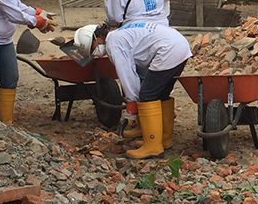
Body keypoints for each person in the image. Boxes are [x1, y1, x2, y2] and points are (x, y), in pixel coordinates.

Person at [74, 22, 192, 159]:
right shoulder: (119, 35)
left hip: (167, 50)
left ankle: (153, 146)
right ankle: (164, 139)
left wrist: (132, 101)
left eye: (92, 48)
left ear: (96, 37)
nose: (94, 52)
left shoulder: (114, 44)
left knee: (147, 96)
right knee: (161, 94)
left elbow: (127, 74)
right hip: (179, 45)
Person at [104, 0, 182, 137]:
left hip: (136, 36)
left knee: (144, 88)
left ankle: (147, 131)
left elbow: (114, 18)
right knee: (158, 88)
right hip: (163, 34)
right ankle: (159, 133)